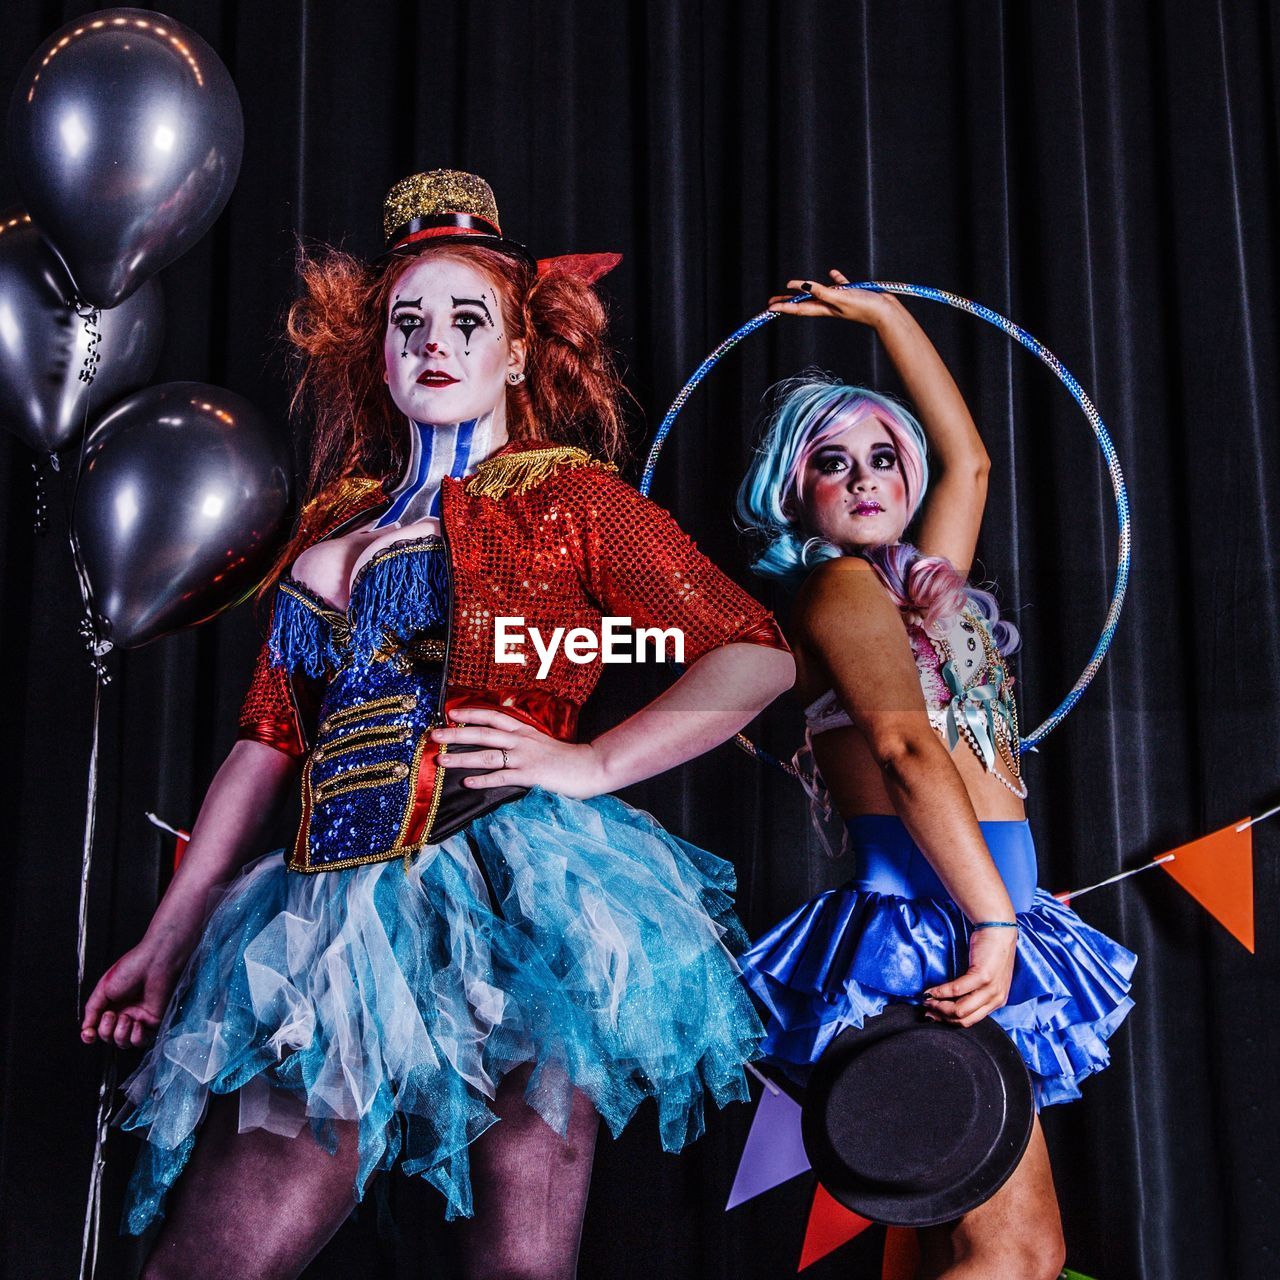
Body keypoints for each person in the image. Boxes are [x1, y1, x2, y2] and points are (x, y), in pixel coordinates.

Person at [79, 170, 795, 1280]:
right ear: (376, 353)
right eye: (407, 323)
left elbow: (751, 650)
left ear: (516, 351)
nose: (434, 343)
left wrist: (593, 759)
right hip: (327, 925)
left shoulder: (570, 500)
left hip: (523, 904)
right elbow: (266, 743)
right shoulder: (327, 537)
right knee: (210, 1263)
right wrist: (167, 940)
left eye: (469, 321)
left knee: (519, 1264)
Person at [735, 272, 1135, 1280]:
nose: (865, 477)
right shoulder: (833, 587)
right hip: (938, 922)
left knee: (952, 1239)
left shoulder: (917, 588)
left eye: (883, 455)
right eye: (832, 462)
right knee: (1014, 1250)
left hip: (976, 912)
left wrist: (885, 317)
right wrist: (992, 922)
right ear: (794, 489)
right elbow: (908, 751)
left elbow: (971, 458)